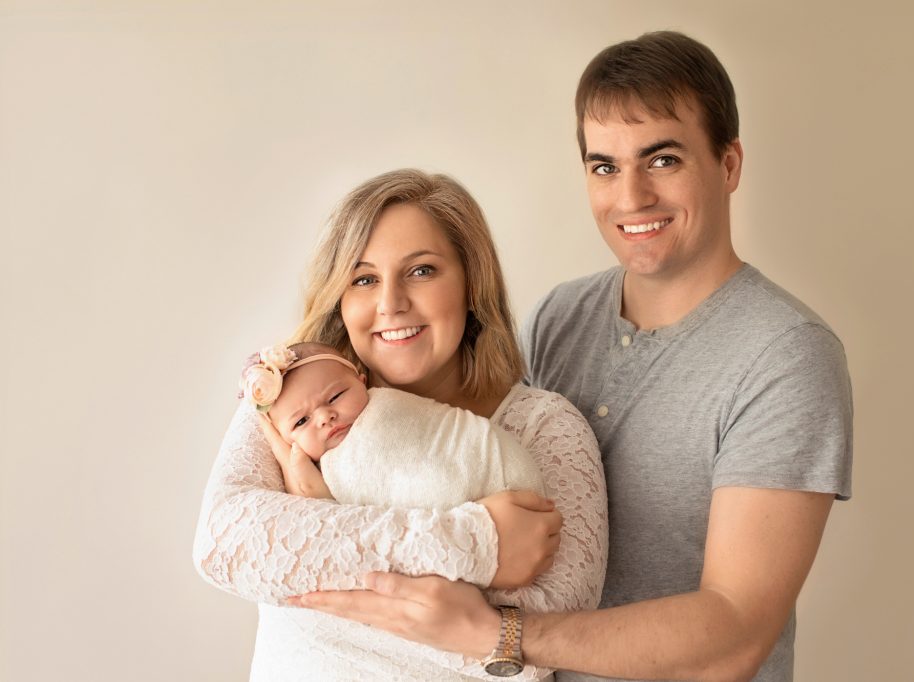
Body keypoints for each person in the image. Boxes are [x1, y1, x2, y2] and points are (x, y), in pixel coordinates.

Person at [286, 31, 853, 682]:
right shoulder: (561, 318)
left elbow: (735, 633)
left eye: (662, 160)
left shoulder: (785, 355)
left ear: (728, 165)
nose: (632, 197)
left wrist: (495, 632)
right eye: (605, 166)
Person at [193, 169, 608, 681]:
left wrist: (317, 534)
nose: (390, 303)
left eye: (421, 271)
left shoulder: (545, 428)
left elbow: (541, 653)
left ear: (472, 285)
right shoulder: (289, 394)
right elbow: (222, 545)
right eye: (363, 279)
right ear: (340, 299)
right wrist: (479, 543)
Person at [241, 341, 545, 506]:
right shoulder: (298, 459)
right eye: (302, 421)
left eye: (335, 396)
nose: (324, 417)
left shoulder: (385, 407)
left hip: (503, 477)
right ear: (283, 438)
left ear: (362, 382)